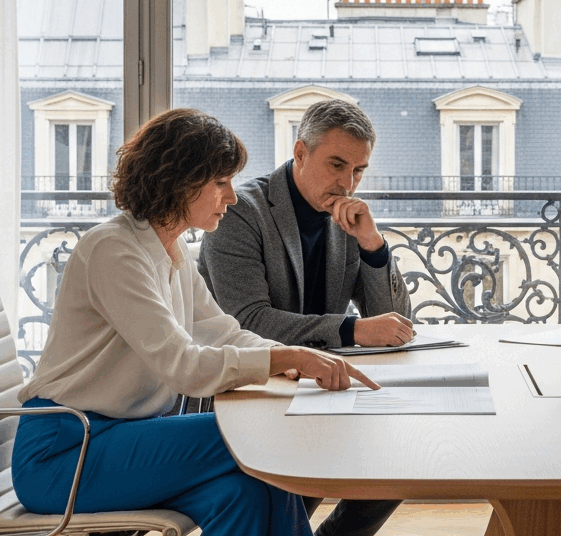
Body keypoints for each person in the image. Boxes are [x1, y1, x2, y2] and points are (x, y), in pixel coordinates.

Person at [13, 108, 378, 536]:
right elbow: (183, 366)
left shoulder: (171, 251)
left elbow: (222, 330)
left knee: (247, 492)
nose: (233, 196)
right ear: (180, 181)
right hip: (67, 449)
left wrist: (287, 359)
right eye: (220, 182)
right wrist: (283, 357)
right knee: (265, 436)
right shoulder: (114, 251)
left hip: (125, 437)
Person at [198, 98, 412, 536]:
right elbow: (247, 321)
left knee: (398, 459)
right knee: (304, 476)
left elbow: (394, 322)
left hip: (318, 386)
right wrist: (350, 329)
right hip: (251, 388)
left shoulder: (347, 219)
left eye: (358, 170)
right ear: (300, 153)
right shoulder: (241, 211)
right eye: (337, 165)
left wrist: (372, 244)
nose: (347, 182)